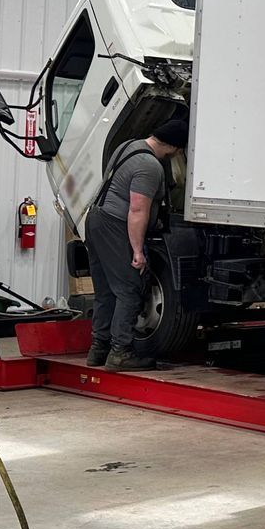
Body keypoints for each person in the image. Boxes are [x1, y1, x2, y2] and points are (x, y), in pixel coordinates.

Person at [85, 115, 188, 369]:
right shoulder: (149, 166)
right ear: (174, 147)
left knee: (106, 291)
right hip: (114, 224)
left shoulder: (128, 146)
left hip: (95, 220)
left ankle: (98, 349)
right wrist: (138, 251)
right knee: (130, 288)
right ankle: (121, 353)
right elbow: (137, 211)